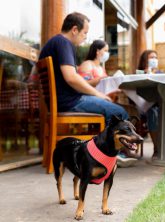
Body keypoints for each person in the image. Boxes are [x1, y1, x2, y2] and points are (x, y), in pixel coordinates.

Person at [38, 12, 136, 167]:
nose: (85, 37)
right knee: (119, 113)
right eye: (85, 33)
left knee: (109, 111)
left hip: (62, 100)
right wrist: (98, 94)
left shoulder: (53, 43)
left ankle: (101, 153)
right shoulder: (63, 43)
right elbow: (71, 77)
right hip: (70, 101)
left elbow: (69, 76)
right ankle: (113, 154)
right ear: (74, 30)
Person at [77, 39, 137, 167]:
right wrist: (101, 79)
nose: (107, 53)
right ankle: (115, 151)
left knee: (129, 110)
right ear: (98, 51)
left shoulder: (100, 67)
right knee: (118, 113)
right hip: (87, 99)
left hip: (99, 100)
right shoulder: (88, 64)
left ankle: (119, 149)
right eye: (105, 50)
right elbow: (82, 84)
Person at [137, 50, 160, 159]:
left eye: (155, 57)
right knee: (153, 112)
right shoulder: (138, 74)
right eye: (151, 57)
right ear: (145, 60)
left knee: (160, 111)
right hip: (144, 106)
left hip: (160, 104)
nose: (154, 60)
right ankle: (157, 148)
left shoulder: (161, 74)